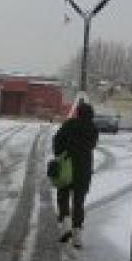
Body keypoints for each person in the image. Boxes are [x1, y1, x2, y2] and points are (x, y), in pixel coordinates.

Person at [52, 102, 99, 247]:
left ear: (78, 112)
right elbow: (92, 145)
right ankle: (77, 235)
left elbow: (57, 140)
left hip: (67, 166)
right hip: (84, 169)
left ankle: (65, 224)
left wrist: (60, 153)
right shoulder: (93, 129)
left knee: (63, 195)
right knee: (79, 201)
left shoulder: (69, 124)